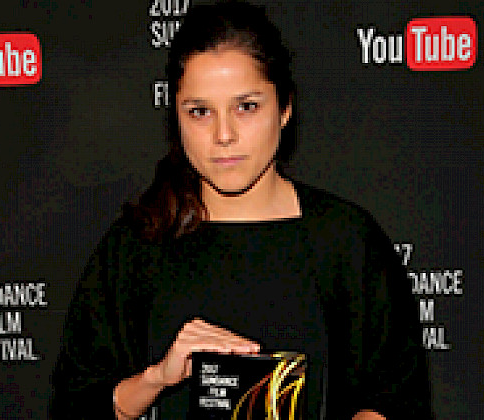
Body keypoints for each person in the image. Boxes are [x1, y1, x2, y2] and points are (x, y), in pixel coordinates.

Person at [51, 1, 432, 419]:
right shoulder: (139, 243)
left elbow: (397, 398)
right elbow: (75, 404)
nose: (224, 134)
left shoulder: (345, 239)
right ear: (176, 117)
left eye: (246, 107)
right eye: (200, 112)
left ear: (285, 108)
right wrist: (156, 378)